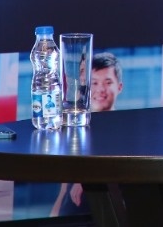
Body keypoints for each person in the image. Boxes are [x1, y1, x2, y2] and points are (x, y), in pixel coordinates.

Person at [51, 52, 124, 215]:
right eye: (95, 83)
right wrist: (54, 214)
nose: (100, 89)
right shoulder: (75, 127)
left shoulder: (124, 131)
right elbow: (64, 188)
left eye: (107, 82)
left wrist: (88, 180)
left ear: (119, 87)